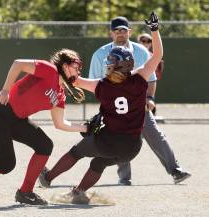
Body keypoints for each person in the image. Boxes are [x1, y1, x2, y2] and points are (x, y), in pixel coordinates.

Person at [38, 12, 164, 204]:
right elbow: (158, 55)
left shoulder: (101, 85)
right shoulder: (140, 79)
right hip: (132, 147)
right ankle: (78, 192)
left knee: (76, 152)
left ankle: (47, 178)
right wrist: (154, 30)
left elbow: (74, 80)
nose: (109, 65)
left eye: (111, 63)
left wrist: (63, 66)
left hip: (109, 140)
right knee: (99, 162)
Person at [0, 48, 88, 205]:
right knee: (6, 165)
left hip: (17, 120)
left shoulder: (60, 93)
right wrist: (6, 90)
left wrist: (85, 128)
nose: (79, 71)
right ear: (65, 65)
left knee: (45, 145)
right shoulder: (49, 69)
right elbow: (18, 64)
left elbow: (60, 123)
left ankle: (25, 192)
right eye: (76, 66)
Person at [88, 15, 191, 185]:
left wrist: (150, 97)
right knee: (120, 138)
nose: (120, 33)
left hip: (138, 104)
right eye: (116, 30)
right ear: (111, 33)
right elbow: (95, 82)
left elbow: (151, 79)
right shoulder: (100, 54)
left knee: (156, 134)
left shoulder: (141, 51)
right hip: (115, 106)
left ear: (130, 31)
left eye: (123, 30)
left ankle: (175, 170)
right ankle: (124, 178)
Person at [137, 32, 164, 115]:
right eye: (143, 40)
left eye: (148, 41)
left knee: (149, 112)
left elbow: (157, 76)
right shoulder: (132, 54)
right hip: (135, 87)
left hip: (148, 86)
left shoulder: (155, 57)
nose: (146, 43)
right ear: (139, 42)